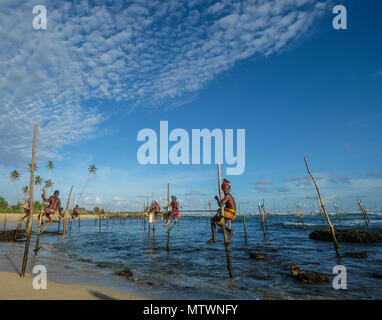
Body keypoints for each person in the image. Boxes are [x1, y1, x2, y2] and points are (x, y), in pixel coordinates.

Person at [207, 179, 236, 244]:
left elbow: (220, 204)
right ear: (222, 190)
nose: (225, 190)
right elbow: (225, 206)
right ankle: (230, 230)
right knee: (219, 223)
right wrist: (220, 210)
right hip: (230, 213)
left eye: (226, 189)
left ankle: (214, 238)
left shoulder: (228, 196)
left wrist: (217, 199)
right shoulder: (228, 196)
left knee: (212, 220)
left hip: (230, 213)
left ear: (228, 189)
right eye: (224, 189)